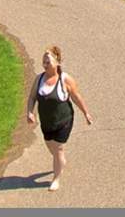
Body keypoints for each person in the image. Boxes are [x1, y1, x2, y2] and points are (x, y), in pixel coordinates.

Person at [26, 45, 92, 192]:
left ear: (57, 62)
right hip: (47, 123)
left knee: (58, 148)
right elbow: (31, 97)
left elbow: (76, 97)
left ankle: (56, 178)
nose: (45, 61)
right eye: (43, 58)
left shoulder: (65, 79)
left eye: (48, 58)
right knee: (50, 145)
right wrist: (30, 112)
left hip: (64, 121)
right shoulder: (39, 79)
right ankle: (59, 161)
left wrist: (86, 113)